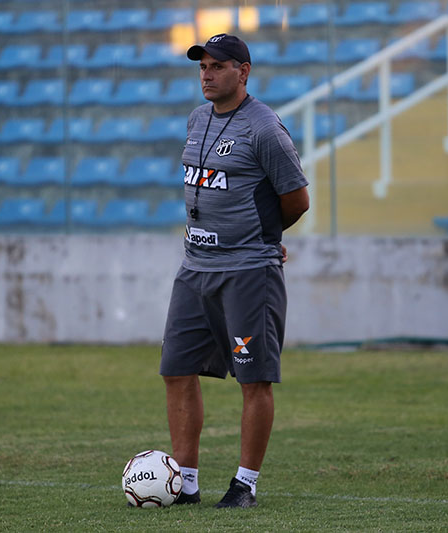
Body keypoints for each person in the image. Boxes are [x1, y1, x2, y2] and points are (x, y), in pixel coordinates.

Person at [159, 33, 310, 509]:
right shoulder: (197, 118)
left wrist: (264, 236)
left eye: (218, 66)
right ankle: (184, 484)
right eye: (202, 66)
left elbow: (297, 199)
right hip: (194, 268)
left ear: (243, 72)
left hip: (247, 271)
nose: (207, 75)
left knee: (254, 378)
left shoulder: (265, 128)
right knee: (176, 370)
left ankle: (245, 485)